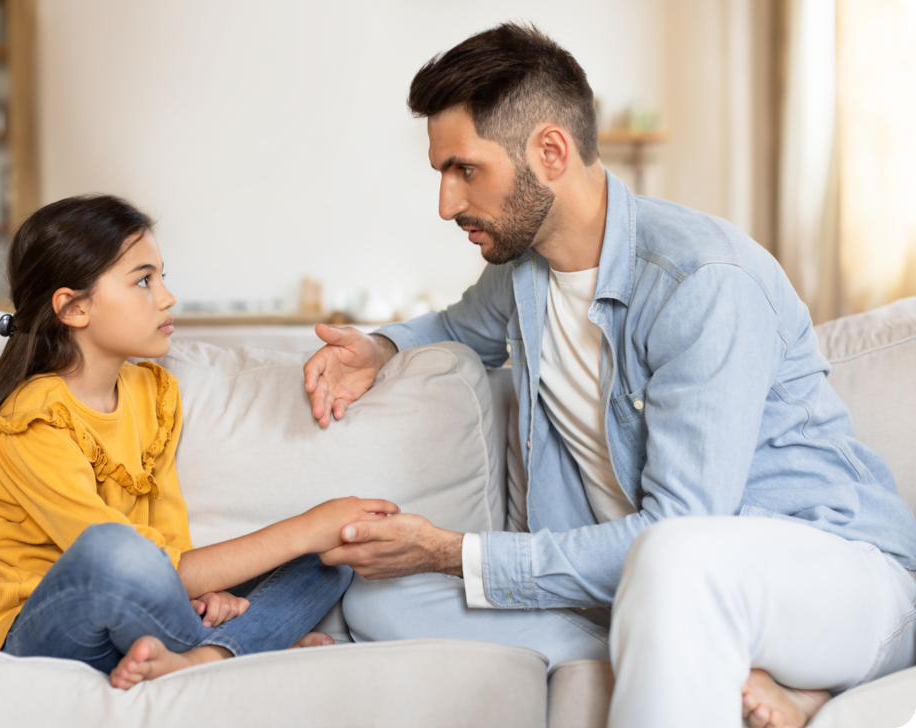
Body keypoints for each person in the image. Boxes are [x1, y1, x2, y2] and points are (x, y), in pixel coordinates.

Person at [303, 23, 916, 728]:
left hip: (835, 576)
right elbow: (452, 327)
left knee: (674, 558)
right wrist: (377, 348)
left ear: (551, 152)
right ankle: (674, 658)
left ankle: (738, 660)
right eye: (441, 172)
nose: (445, 203)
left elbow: (684, 527)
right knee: (380, 596)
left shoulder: (703, 281)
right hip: (645, 586)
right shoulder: (523, 271)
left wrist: (455, 551)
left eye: (465, 169)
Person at [0, 195, 399, 690]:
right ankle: (239, 652)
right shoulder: (30, 423)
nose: (167, 297)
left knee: (328, 557)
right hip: (47, 638)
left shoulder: (151, 393)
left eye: (162, 277)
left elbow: (168, 540)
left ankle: (202, 657)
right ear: (74, 308)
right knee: (114, 550)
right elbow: (138, 564)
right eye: (143, 280)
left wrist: (205, 591)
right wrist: (303, 527)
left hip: (143, 614)